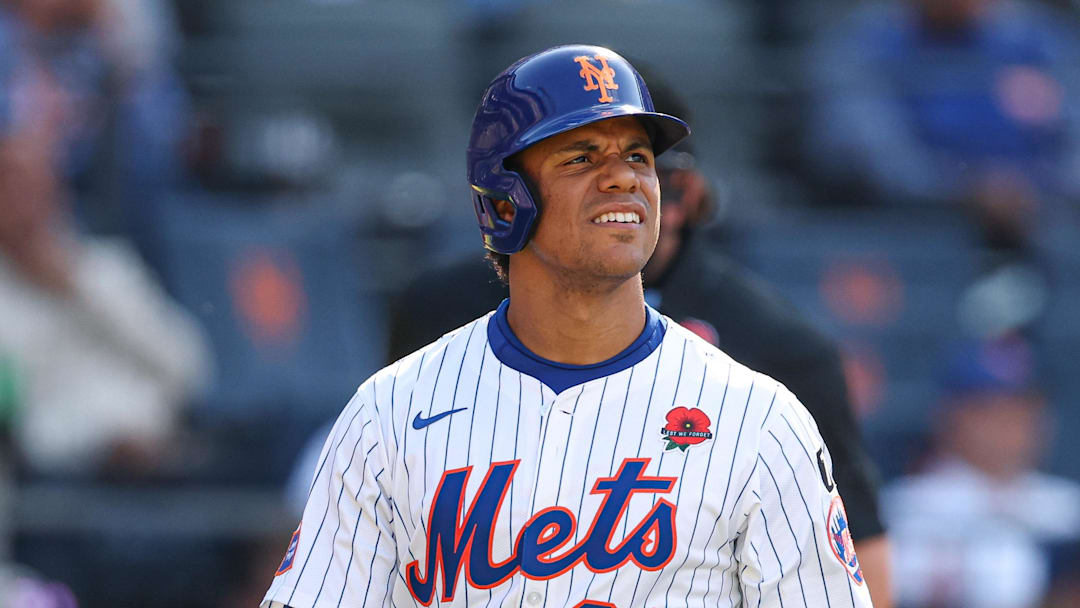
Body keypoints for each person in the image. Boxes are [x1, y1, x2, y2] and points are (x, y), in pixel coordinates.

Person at [263, 45, 874, 607]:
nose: (623, 176)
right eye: (582, 156)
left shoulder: (760, 418)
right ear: (504, 202)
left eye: (638, 155)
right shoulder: (390, 411)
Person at [883, 338, 1080, 608]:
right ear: (949, 416)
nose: (1011, 425)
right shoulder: (904, 505)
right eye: (989, 410)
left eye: (1024, 409)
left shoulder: (1066, 504)